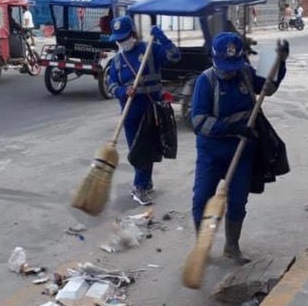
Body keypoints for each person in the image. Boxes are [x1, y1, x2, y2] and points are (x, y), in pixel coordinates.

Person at [190, 32, 289, 264]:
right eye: (226, 65)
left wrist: (281, 62)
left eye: (234, 65)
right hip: (212, 152)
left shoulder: (244, 73)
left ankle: (232, 245)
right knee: (202, 198)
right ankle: (202, 246)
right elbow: (198, 121)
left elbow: (268, 88)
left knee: (237, 200)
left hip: (242, 150)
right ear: (214, 59)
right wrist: (231, 127)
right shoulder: (205, 81)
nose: (230, 71)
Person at [106, 15, 181, 206]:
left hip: (152, 111)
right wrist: (124, 91)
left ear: (133, 34)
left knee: (148, 149)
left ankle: (143, 184)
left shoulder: (150, 50)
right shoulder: (116, 61)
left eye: (124, 37)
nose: (121, 42)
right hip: (130, 114)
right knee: (138, 150)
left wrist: (162, 37)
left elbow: (175, 56)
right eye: (118, 39)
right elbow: (111, 84)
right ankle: (142, 185)